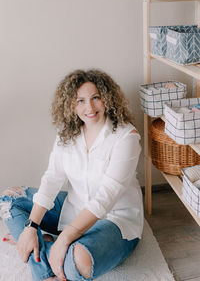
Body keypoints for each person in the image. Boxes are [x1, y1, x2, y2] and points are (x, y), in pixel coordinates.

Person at [0, 69, 143, 281]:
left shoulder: (126, 136)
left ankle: (46, 246)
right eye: (81, 101)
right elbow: (52, 178)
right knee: (9, 200)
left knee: (78, 260)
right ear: (70, 104)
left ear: (107, 97)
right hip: (74, 209)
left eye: (96, 97)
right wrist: (31, 227)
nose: (90, 107)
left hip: (115, 220)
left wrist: (64, 240)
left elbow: (105, 197)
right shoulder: (67, 133)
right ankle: (45, 268)